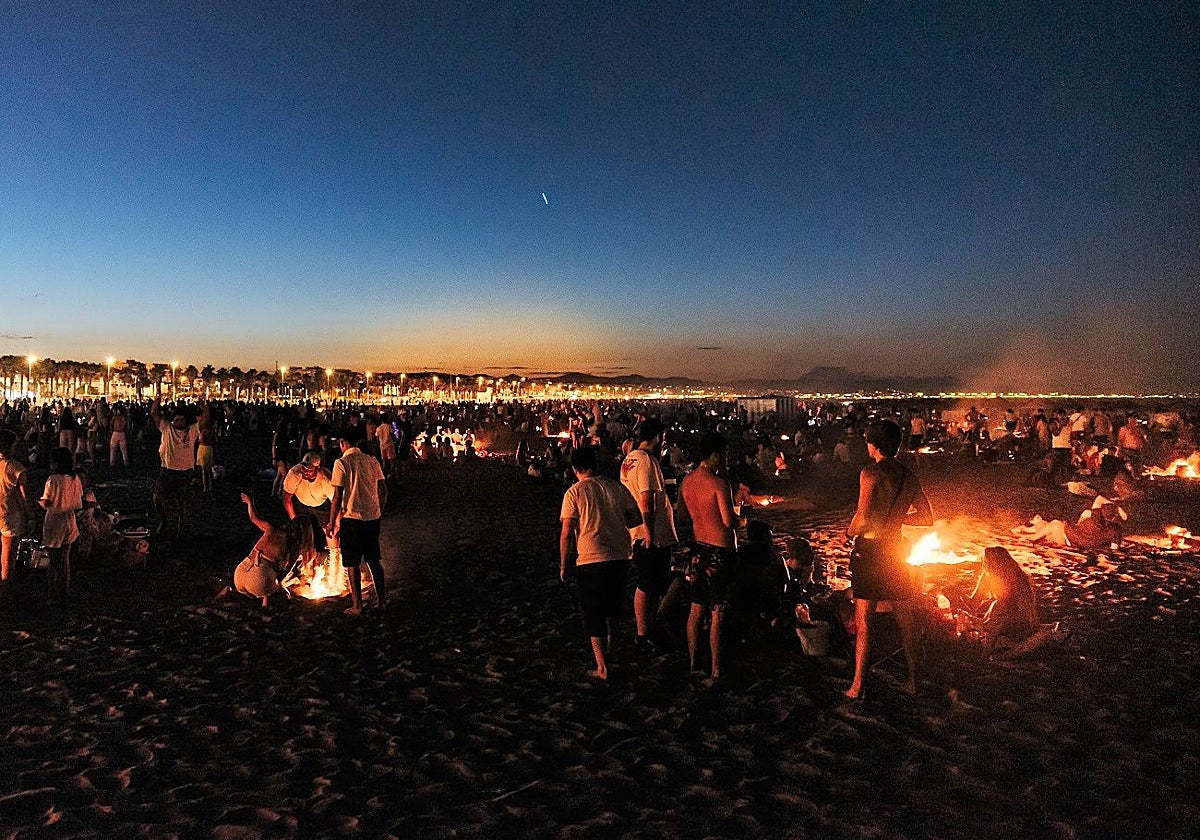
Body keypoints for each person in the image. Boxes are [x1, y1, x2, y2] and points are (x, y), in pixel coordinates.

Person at [845, 420, 933, 700]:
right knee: (906, 619)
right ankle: (914, 681)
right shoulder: (909, 476)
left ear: (874, 445)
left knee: (864, 621)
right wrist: (897, 518)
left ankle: (858, 686)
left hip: (870, 551)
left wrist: (849, 532)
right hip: (895, 549)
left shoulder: (870, 473)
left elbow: (862, 517)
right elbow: (927, 518)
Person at [559, 446, 639, 680]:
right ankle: (611, 655)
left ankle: (602, 667)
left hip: (591, 557)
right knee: (612, 609)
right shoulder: (615, 487)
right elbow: (635, 517)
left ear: (575, 469)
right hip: (620, 555)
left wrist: (564, 563)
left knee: (594, 612)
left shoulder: (574, 493)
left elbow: (567, 532)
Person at [678, 432, 737, 683]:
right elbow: (728, 521)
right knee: (717, 613)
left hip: (697, 550)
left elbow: (682, 517)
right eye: (724, 454)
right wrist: (740, 519)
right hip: (719, 552)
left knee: (695, 609)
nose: (726, 459)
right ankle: (715, 669)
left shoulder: (686, 482)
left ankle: (692, 663)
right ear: (714, 455)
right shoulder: (719, 483)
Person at [620, 418, 678, 648]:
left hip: (637, 528)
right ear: (658, 437)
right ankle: (644, 633)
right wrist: (650, 533)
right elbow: (646, 500)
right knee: (648, 583)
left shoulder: (629, 458)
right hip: (649, 533)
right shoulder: (645, 460)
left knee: (651, 582)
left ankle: (649, 628)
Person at [328, 425, 388, 615]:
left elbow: (337, 496)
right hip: (372, 518)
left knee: (352, 563)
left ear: (343, 443)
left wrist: (331, 522)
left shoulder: (341, 463)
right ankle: (382, 601)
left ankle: (357, 605)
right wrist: (378, 510)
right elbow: (383, 490)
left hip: (352, 519)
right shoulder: (372, 460)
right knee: (374, 560)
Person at [220, 492, 318, 607]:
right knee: (277, 588)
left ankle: (228, 591)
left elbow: (253, 517)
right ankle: (265, 600)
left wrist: (249, 503)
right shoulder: (294, 546)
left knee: (258, 582)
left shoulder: (271, 528)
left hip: (240, 573)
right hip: (259, 578)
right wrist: (278, 586)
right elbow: (284, 573)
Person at [150, 397, 209, 535]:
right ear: (173, 420)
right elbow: (154, 413)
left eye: (182, 420)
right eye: (176, 420)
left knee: (182, 503)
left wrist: (205, 406)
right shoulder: (167, 428)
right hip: (167, 470)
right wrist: (158, 399)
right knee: (157, 498)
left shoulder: (192, 430)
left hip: (185, 473)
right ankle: (163, 520)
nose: (179, 422)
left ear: (186, 421)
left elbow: (205, 421)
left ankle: (181, 529)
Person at [40, 447, 83, 604]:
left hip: (55, 520)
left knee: (52, 560)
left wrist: (39, 503)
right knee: (65, 559)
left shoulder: (53, 480)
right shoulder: (75, 478)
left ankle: (52, 595)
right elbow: (79, 500)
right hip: (69, 519)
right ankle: (64, 591)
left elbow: (47, 502)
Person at [0, 429, 34, 591]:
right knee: (8, 558)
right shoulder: (15, 468)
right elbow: (24, 496)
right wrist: (31, 517)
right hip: (10, 515)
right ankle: (6, 591)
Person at [283, 451, 335, 525]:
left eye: (309, 470)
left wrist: (333, 523)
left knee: (326, 529)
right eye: (303, 468)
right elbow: (287, 498)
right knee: (301, 528)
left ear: (318, 468)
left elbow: (335, 502)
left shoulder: (326, 479)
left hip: (321, 506)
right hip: (300, 504)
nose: (305, 471)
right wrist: (295, 521)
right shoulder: (294, 474)